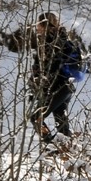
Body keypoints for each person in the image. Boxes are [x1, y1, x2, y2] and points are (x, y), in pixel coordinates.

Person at [29, 12, 75, 145]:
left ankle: (51, 146)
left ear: (45, 25)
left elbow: (44, 69)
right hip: (66, 87)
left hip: (57, 88)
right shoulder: (63, 40)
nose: (36, 27)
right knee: (60, 118)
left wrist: (35, 86)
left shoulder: (48, 44)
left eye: (38, 24)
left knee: (36, 118)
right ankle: (68, 148)